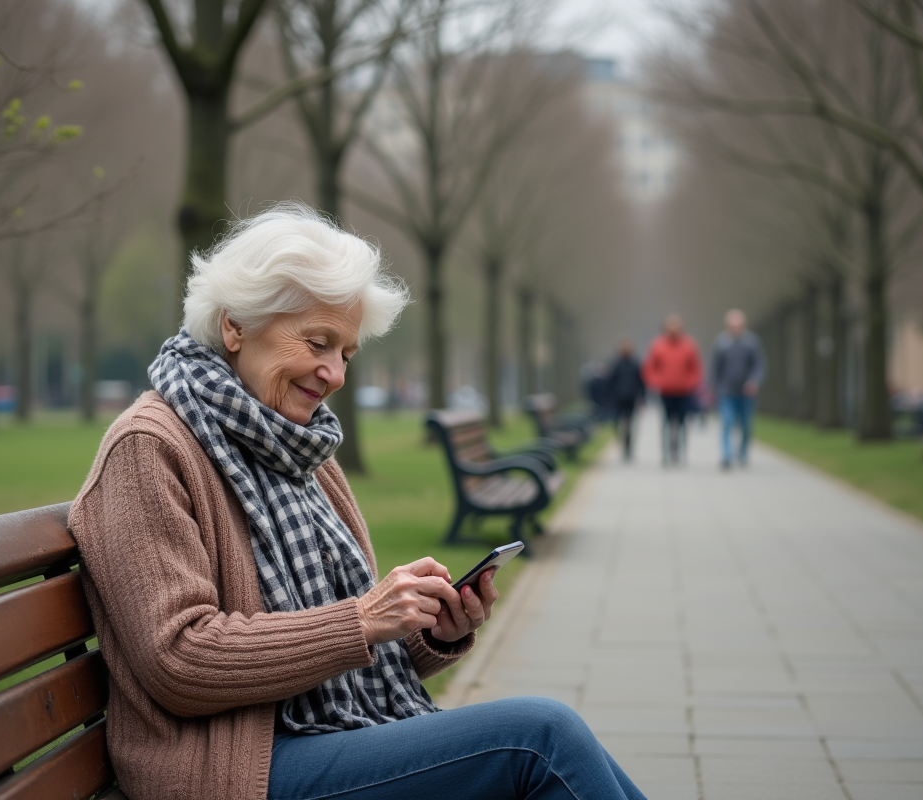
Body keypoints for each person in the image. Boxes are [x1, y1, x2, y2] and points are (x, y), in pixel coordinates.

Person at [69, 204, 647, 800]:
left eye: (346, 352)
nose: (335, 373)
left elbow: (342, 656)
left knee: (556, 745)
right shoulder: (149, 448)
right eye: (318, 342)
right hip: (230, 768)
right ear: (235, 324)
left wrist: (430, 630)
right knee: (542, 739)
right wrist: (363, 619)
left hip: (312, 740)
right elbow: (179, 660)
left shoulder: (303, 451)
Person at [642, 314, 702, 466]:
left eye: (677, 326)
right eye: (671, 326)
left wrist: (691, 383)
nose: (674, 329)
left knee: (682, 423)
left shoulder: (689, 345)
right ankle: (666, 453)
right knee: (666, 422)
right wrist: (655, 382)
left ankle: (680, 452)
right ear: (665, 328)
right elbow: (650, 368)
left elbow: (695, 368)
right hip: (665, 391)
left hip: (684, 391)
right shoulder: (658, 345)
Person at [711, 308, 765, 469]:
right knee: (727, 422)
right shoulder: (721, 342)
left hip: (746, 391)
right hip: (726, 391)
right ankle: (726, 456)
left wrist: (754, 381)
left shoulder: (752, 342)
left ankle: (742, 453)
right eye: (732, 325)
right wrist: (714, 387)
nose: (735, 328)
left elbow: (759, 365)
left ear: (743, 325)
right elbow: (715, 367)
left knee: (746, 424)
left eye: (738, 325)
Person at [604, 339, 645, 461]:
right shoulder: (615, 364)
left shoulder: (635, 364)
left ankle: (628, 445)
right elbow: (609, 382)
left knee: (629, 423)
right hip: (617, 398)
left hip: (631, 398)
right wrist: (608, 397)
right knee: (616, 422)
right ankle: (621, 440)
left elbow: (641, 382)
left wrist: (642, 397)